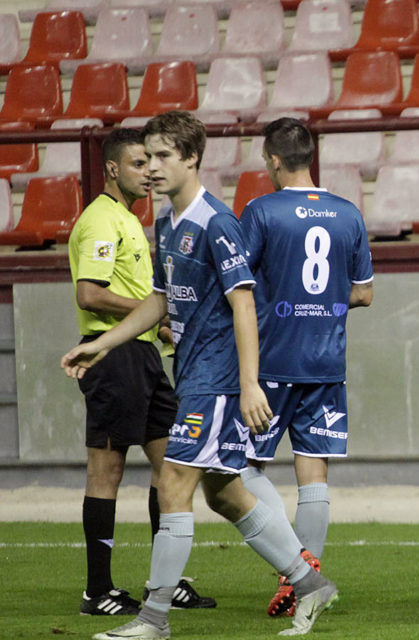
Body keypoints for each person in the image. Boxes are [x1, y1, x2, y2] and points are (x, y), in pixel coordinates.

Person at [61, 111, 336, 640]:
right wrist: (102, 343)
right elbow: (159, 301)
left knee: (172, 484)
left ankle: (153, 618)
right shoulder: (165, 223)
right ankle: (309, 584)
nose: (152, 168)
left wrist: (251, 383)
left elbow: (245, 305)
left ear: (191, 158)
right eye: (148, 157)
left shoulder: (217, 222)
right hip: (190, 374)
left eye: (163, 156)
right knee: (225, 495)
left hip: (217, 380)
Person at [69, 128, 214, 617]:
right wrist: (152, 312)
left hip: (146, 355)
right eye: (137, 163)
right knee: (105, 471)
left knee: (170, 465)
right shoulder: (101, 222)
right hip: (114, 359)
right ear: (113, 168)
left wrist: (159, 329)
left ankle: (164, 582)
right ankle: (97, 591)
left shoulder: (131, 220)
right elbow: (90, 293)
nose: (147, 172)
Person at [238, 117, 374, 617]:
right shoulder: (347, 212)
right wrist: (325, 304)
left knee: (241, 467)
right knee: (312, 471)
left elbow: (238, 285)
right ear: (309, 157)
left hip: (270, 361)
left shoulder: (260, 211)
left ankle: (297, 568)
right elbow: (364, 293)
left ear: (274, 160)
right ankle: (306, 573)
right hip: (325, 361)